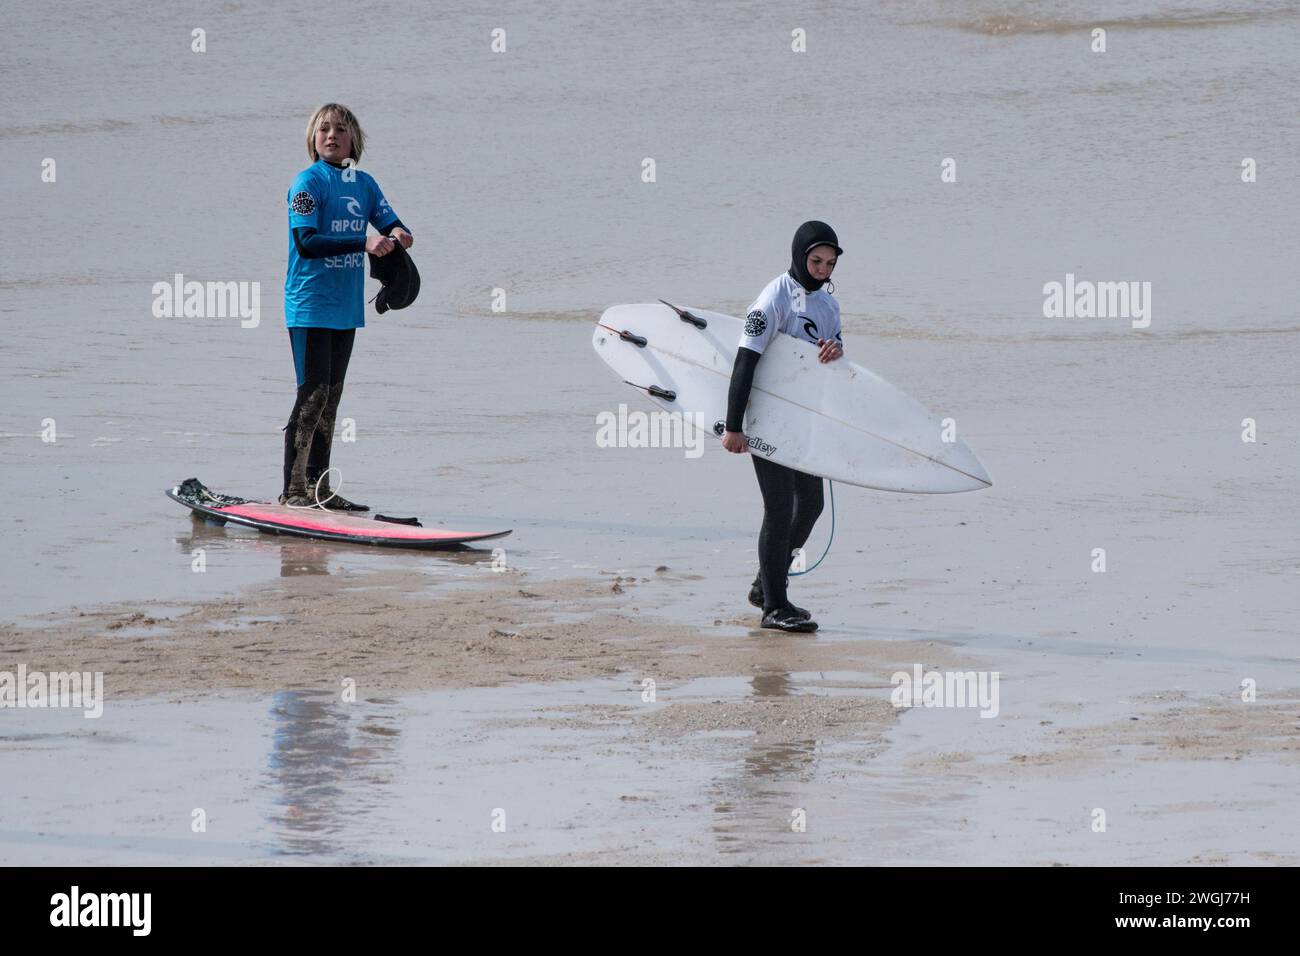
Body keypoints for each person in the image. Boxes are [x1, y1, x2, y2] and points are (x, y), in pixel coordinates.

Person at [281, 103, 413, 509]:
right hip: (309, 304)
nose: (331, 136)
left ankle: (320, 490)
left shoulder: (364, 183)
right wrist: (363, 241)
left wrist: (398, 233)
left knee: (332, 397)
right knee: (312, 394)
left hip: (345, 307)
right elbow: (307, 242)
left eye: (340, 129)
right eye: (323, 130)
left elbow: (388, 219)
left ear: (354, 138)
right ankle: (292, 490)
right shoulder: (307, 183)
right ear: (312, 138)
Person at [722, 221, 845, 633]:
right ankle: (774, 607)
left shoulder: (828, 306)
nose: (822, 269)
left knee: (811, 505)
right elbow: (745, 361)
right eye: (815, 261)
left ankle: (766, 585)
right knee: (778, 508)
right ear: (799, 256)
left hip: (803, 418)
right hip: (767, 418)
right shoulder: (772, 299)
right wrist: (733, 426)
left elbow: (828, 367)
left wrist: (835, 350)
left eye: (829, 263)